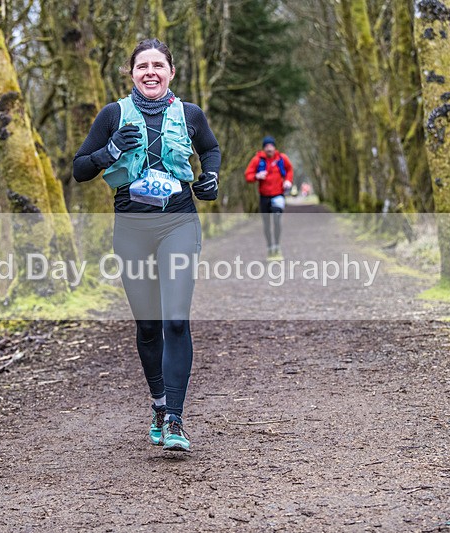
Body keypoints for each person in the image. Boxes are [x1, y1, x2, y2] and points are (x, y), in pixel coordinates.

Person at [73, 38, 221, 452]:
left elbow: (210, 149)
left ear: (172, 72)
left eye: (159, 65)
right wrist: (110, 150)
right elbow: (80, 169)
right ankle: (158, 404)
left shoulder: (190, 114)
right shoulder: (112, 115)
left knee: (175, 319)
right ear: (131, 72)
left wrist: (210, 179)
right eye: (143, 66)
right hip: (132, 228)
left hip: (178, 221)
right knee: (149, 325)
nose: (150, 72)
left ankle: (175, 418)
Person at [244, 136, 294, 259]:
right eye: (266, 146)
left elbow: (289, 170)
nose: (269, 149)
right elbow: (247, 176)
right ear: (264, 148)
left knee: (277, 221)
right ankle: (270, 248)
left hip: (278, 195)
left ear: (275, 147)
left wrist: (288, 181)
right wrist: (257, 176)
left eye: (271, 146)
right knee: (266, 224)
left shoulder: (282, 158)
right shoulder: (257, 160)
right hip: (264, 196)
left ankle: (277, 246)